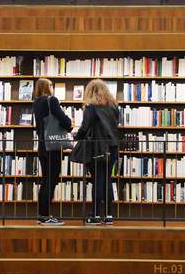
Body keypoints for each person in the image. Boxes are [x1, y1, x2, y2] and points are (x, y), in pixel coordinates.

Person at [74, 79, 120, 225]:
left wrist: (77, 136)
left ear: (90, 92)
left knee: (97, 180)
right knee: (107, 178)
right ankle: (108, 215)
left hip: (97, 147)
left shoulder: (91, 107)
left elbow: (85, 127)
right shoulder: (114, 106)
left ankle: (94, 215)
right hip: (112, 147)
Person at [32, 77, 72, 226]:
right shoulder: (52, 100)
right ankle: (45, 215)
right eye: (51, 85)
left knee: (46, 180)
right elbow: (63, 119)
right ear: (47, 87)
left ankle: (42, 215)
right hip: (53, 145)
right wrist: (70, 124)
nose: (52, 87)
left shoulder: (36, 103)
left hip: (43, 145)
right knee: (52, 180)